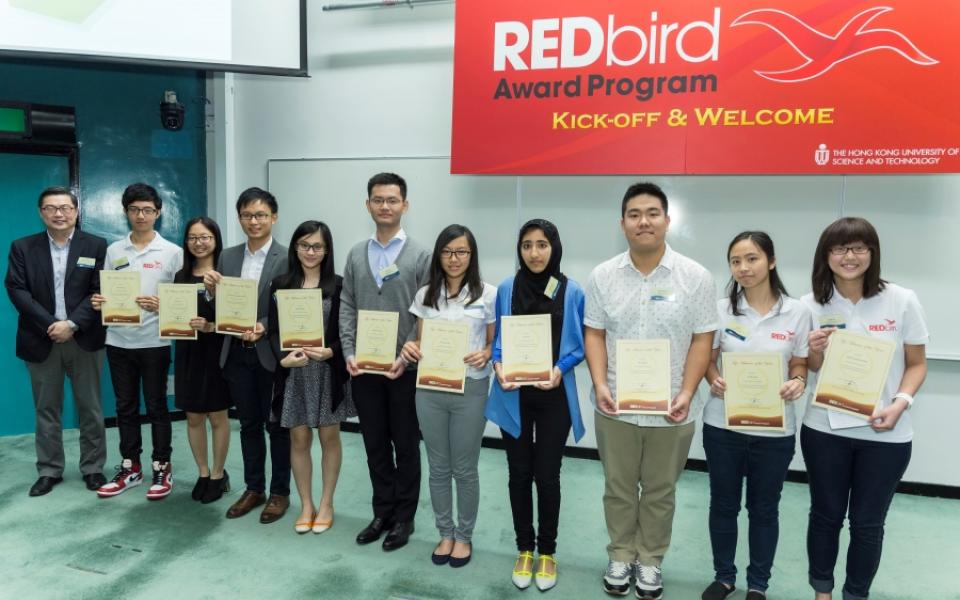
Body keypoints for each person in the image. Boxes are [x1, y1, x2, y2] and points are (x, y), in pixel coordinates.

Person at [583, 182, 716, 600]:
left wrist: (687, 391)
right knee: (618, 487)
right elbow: (594, 334)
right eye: (635, 214)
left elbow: (702, 339)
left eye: (653, 213)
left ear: (667, 220)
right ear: (622, 223)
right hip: (615, 405)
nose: (644, 221)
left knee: (660, 491)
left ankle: (651, 559)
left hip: (673, 409)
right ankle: (621, 554)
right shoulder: (603, 276)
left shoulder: (695, 276)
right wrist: (601, 384)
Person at [801, 217, 927, 600]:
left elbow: (917, 363)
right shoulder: (810, 305)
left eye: (859, 247)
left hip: (884, 434)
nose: (849, 256)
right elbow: (811, 368)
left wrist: (900, 404)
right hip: (824, 430)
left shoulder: (901, 299)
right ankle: (822, 592)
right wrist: (815, 353)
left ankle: (856, 594)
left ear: (872, 253)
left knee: (868, 524)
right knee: (825, 516)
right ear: (826, 256)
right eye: (839, 248)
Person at [700, 232, 812, 600]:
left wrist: (797, 381)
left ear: (771, 261)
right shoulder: (719, 309)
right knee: (724, 503)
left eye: (752, 259)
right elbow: (707, 359)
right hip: (723, 425)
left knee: (764, 508)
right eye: (735, 261)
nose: (743, 268)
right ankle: (724, 576)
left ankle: (758, 584)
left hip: (774, 429)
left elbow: (799, 362)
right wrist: (713, 379)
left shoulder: (798, 311)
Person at [486, 218, 586, 592]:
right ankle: (524, 548)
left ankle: (547, 552)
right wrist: (498, 365)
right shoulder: (507, 288)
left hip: (553, 395)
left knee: (547, 475)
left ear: (554, 247)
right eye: (527, 245)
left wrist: (559, 369)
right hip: (514, 394)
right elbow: (498, 339)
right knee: (517, 473)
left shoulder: (571, 291)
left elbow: (577, 346)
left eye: (542, 244)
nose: (534, 253)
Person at [339, 172, 431, 552]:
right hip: (364, 369)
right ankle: (382, 512)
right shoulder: (356, 253)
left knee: (406, 445)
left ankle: (404, 518)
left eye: (392, 200)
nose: (385, 206)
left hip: (404, 370)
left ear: (404, 206)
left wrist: (405, 352)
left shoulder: (421, 255)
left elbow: (427, 311)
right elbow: (347, 304)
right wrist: (348, 351)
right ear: (368, 205)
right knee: (375, 443)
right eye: (378, 200)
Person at [399, 224, 497, 568]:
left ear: (472, 256)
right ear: (439, 255)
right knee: (438, 466)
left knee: (464, 468)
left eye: (462, 252)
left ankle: (465, 536)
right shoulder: (426, 293)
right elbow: (421, 341)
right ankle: (445, 532)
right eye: (448, 251)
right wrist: (411, 346)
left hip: (471, 388)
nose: (454, 259)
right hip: (430, 388)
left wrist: (487, 353)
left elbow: (492, 343)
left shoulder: (488, 294)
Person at [5, 186, 108, 496]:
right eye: (51, 208)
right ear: (41, 213)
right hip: (41, 338)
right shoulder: (23, 247)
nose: (59, 213)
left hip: (84, 337)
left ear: (76, 211)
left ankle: (93, 468)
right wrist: (53, 325)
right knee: (46, 409)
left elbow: (99, 290)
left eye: (65, 207)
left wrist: (73, 324)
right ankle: (49, 470)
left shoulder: (96, 245)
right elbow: (17, 289)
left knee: (90, 407)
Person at [203, 187, 290, 523]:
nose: (254, 221)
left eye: (261, 215)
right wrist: (211, 293)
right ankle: (255, 488)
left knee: (277, 426)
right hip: (237, 354)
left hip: (270, 354)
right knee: (249, 425)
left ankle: (280, 492)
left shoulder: (288, 257)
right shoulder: (227, 257)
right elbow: (222, 307)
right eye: (247, 215)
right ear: (239, 218)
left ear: (274, 217)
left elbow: (292, 308)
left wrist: (265, 326)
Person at [93, 183, 183, 500]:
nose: (140, 215)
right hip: (117, 340)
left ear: (157, 213)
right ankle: (130, 466)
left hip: (154, 342)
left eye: (147, 210)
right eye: (134, 209)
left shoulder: (172, 252)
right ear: (126, 212)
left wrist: (163, 305)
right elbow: (106, 292)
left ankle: (162, 465)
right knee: (125, 407)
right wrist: (99, 301)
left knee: (157, 406)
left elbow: (184, 301)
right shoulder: (114, 251)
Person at [268, 221, 355, 534]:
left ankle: (327, 502)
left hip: (327, 372)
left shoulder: (341, 285)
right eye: (304, 245)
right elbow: (274, 331)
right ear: (295, 247)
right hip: (293, 374)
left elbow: (348, 331)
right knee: (299, 438)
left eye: (317, 246)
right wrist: (283, 358)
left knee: (329, 438)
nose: (310, 251)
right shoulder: (281, 284)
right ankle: (306, 503)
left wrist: (332, 352)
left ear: (327, 249)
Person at [172, 217, 232, 504]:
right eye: (193, 238)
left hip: (217, 352)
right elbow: (175, 316)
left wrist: (210, 324)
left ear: (216, 240)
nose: (199, 243)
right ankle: (203, 472)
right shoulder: (180, 276)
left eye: (205, 237)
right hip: (187, 353)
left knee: (218, 417)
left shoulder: (226, 274)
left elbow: (236, 317)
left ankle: (219, 475)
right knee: (193, 416)